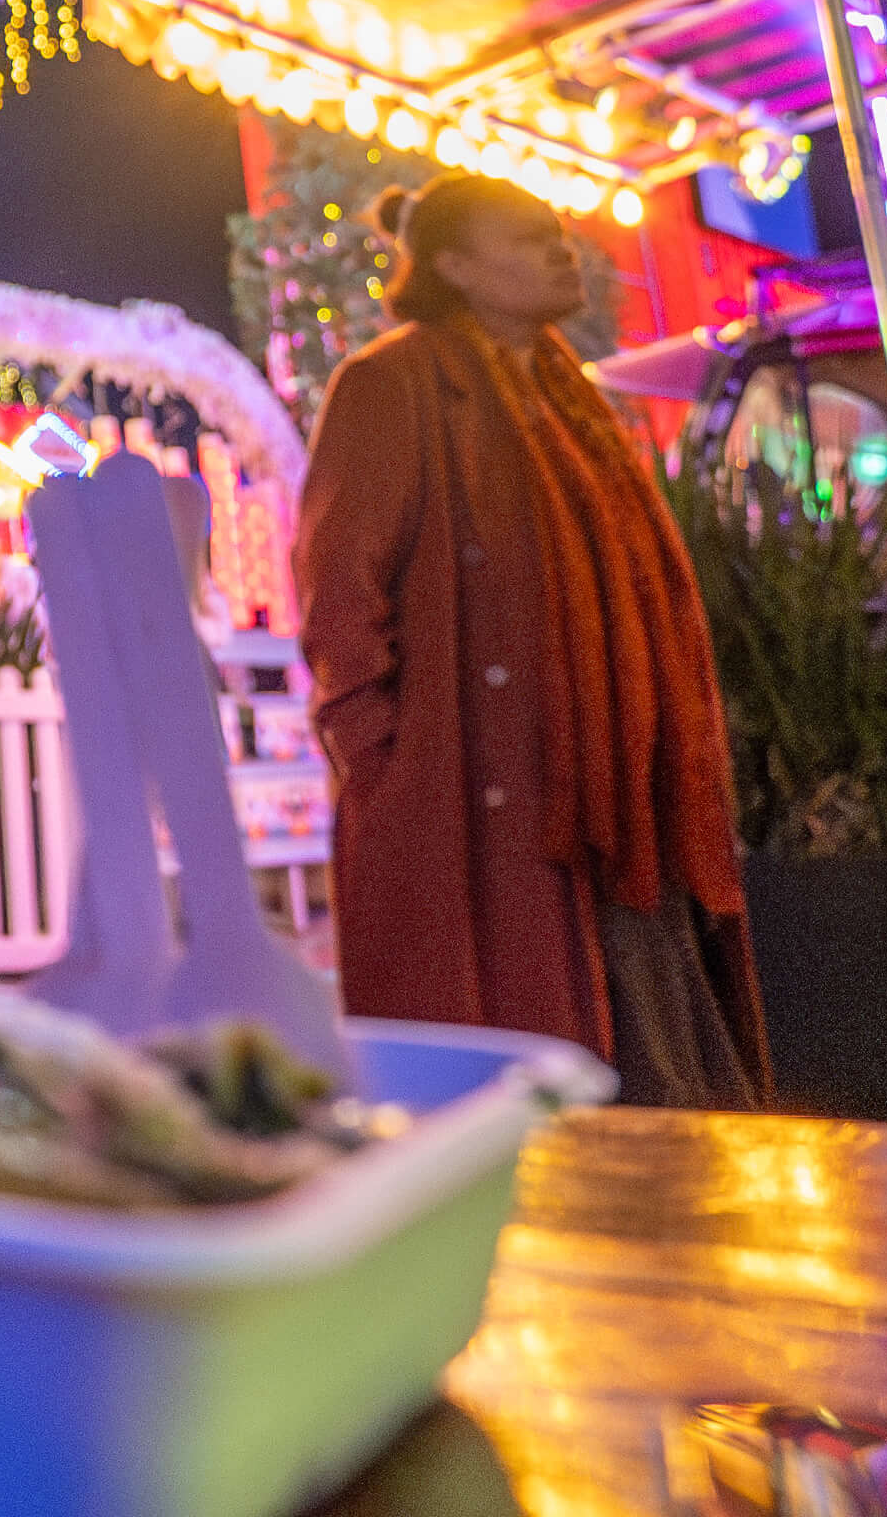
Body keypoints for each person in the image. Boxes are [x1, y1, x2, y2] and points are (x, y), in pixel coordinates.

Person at [298, 175, 769, 1107]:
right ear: (454, 267)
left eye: (559, 234)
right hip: (476, 791)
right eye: (529, 237)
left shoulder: (568, 395)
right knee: (526, 1081)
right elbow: (338, 595)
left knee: (656, 1058)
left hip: (618, 798)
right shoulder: (389, 385)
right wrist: (386, 763)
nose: (563, 251)